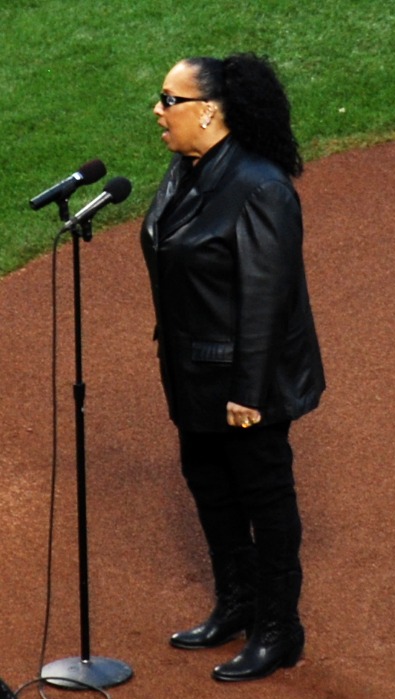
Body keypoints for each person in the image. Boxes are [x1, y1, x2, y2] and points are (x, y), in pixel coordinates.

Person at [140, 53, 325, 682]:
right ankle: (237, 605)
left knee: (264, 499)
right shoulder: (184, 171)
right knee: (212, 490)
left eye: (170, 100)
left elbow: (267, 300)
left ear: (210, 110)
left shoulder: (260, 185)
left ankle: (279, 629)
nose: (158, 112)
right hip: (193, 374)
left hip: (248, 385)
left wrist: (247, 393)